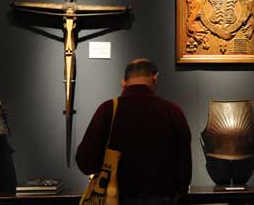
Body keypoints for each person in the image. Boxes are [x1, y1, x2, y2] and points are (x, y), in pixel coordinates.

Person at [76, 58, 192, 205]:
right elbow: (184, 169)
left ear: (123, 82)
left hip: (116, 199)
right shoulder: (173, 111)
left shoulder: (108, 109)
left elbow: (85, 162)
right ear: (155, 77)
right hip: (162, 199)